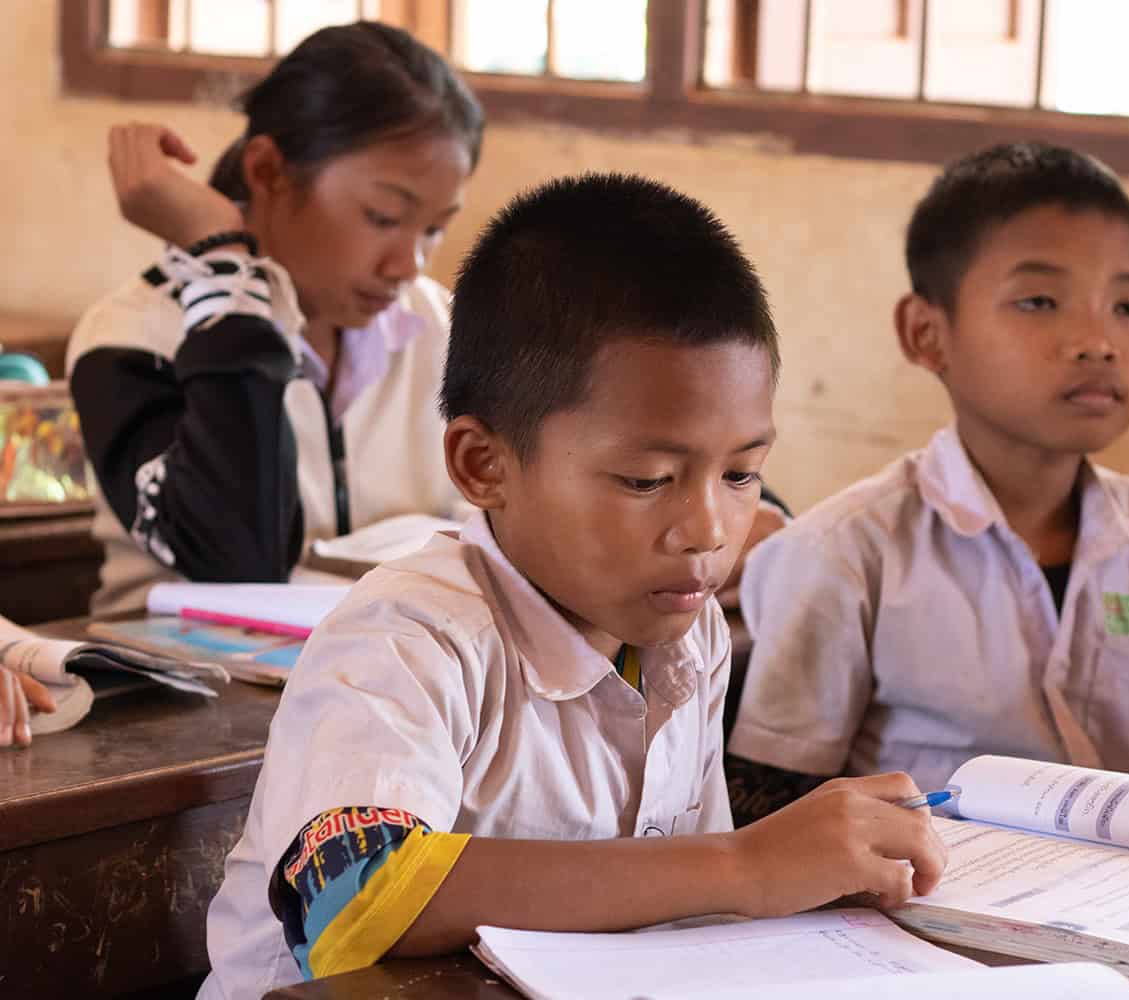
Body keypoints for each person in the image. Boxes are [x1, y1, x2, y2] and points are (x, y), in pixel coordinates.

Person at [195, 173, 947, 999]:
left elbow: (683, 917)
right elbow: (349, 895)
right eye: (646, 479)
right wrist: (744, 863)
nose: (707, 528)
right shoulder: (408, 638)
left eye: (742, 474)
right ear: (485, 465)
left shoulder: (683, 636)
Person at [726, 143, 1129, 823]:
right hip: (909, 909)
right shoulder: (846, 552)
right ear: (927, 334)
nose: (1098, 341)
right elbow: (766, 809)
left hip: (1122, 907)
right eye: (1041, 301)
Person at [66, 21, 484, 616]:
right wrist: (223, 269)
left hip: (399, 684)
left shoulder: (439, 326)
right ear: (267, 173)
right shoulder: (132, 336)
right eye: (384, 216)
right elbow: (236, 559)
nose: (407, 263)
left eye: (435, 227)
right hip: (187, 699)